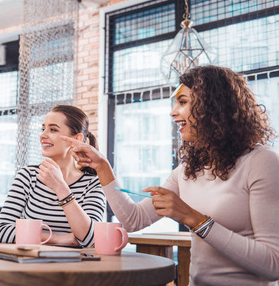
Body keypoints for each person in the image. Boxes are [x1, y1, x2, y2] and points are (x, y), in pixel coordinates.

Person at [62, 65, 279, 285]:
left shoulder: (261, 162)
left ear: (213, 107)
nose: (173, 112)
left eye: (183, 102)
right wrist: (102, 167)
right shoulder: (186, 171)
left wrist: (194, 219)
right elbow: (133, 220)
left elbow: (273, 264)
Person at [0, 105, 106, 247]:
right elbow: (3, 232)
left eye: (53, 129)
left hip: (76, 266)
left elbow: (91, 240)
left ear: (77, 139)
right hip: (31, 264)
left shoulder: (93, 184)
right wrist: (59, 239)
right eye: (43, 129)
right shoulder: (27, 176)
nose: (43, 135)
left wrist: (60, 187)